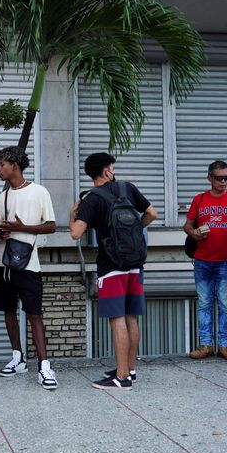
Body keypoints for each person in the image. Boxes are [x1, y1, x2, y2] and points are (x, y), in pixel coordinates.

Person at [69, 152, 157, 390]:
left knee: (116, 318)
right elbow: (152, 213)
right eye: (112, 168)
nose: (114, 171)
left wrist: (72, 215)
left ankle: (121, 377)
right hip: (135, 263)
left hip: (111, 265)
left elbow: (76, 233)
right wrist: (136, 230)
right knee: (131, 316)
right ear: (107, 171)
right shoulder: (128, 188)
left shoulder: (91, 199)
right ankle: (129, 370)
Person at [0, 147, 58, 390]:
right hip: (1, 262)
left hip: (28, 264)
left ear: (15, 165)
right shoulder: (1, 197)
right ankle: (18, 358)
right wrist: (1, 231)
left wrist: (22, 228)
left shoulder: (39, 192)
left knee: (34, 314)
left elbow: (51, 226)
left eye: (2, 164)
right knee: (8, 311)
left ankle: (45, 366)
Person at [184, 160, 227, 362]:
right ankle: (205, 344)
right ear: (209, 178)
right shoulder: (200, 199)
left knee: (226, 304)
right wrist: (194, 233)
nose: (223, 182)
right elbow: (187, 225)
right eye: (219, 178)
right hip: (202, 259)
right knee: (204, 303)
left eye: (226, 178)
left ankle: (225, 345)